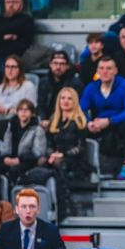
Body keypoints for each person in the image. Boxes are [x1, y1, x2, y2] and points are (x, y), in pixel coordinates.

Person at [80, 56, 125, 180]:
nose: (105, 71)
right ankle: (83, 169)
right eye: (101, 68)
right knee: (79, 127)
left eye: (109, 68)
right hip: (97, 125)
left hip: (118, 122)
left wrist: (109, 121)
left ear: (115, 71)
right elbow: (81, 110)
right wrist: (89, 122)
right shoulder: (91, 87)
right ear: (97, 71)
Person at [46, 87, 90, 218]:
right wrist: (52, 154)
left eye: (69, 98)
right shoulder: (54, 119)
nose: (65, 101)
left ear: (74, 101)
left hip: (75, 160)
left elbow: (81, 147)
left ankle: (65, 206)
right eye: (63, 98)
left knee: (61, 166)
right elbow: (49, 144)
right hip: (56, 158)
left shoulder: (79, 120)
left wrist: (63, 154)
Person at [0, 54, 36, 138]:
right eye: (7, 67)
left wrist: (7, 110)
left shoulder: (28, 86)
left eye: (13, 67)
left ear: (20, 69)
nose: (10, 70)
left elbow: (31, 110)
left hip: (19, 125)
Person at [1, 99, 46, 183]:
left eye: (26, 110)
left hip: (28, 161)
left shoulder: (37, 129)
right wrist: (5, 157)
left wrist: (20, 159)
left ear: (32, 113)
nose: (23, 112)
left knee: (14, 170)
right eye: (21, 109)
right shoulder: (11, 126)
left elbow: (38, 152)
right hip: (10, 159)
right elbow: (6, 144)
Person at [38, 50, 83, 129]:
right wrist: (43, 118)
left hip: (69, 120)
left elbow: (78, 106)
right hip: (48, 120)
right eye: (55, 63)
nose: (58, 67)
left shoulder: (76, 83)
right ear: (50, 65)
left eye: (62, 64)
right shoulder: (43, 82)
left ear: (67, 66)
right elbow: (41, 104)